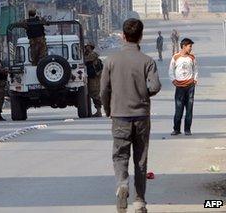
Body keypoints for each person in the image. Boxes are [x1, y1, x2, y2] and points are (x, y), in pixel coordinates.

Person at [100, 18, 161, 213]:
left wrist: (108, 109)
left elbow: (103, 90)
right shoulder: (147, 61)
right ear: (140, 36)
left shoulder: (111, 60)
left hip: (119, 116)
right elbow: (155, 86)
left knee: (120, 156)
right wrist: (143, 92)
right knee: (140, 159)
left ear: (123, 36)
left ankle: (122, 184)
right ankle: (140, 201)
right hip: (142, 115)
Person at [169, 38, 198, 136]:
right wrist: (173, 80)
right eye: (190, 46)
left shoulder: (192, 57)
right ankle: (176, 129)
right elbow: (171, 70)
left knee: (189, 109)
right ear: (184, 46)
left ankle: (187, 129)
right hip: (179, 87)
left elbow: (196, 70)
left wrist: (194, 80)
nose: (191, 48)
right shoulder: (175, 57)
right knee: (178, 109)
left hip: (190, 87)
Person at [84, 43, 103, 117]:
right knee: (89, 94)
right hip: (89, 77)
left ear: (91, 48)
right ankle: (92, 111)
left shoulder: (93, 55)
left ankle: (99, 111)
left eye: (88, 47)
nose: (87, 49)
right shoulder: (87, 55)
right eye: (86, 47)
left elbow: (86, 60)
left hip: (94, 78)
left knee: (94, 94)